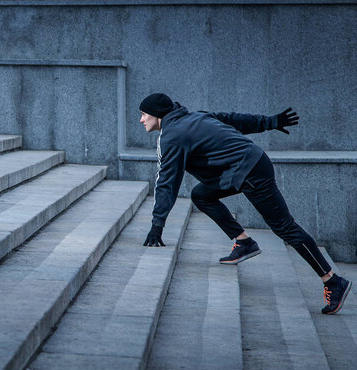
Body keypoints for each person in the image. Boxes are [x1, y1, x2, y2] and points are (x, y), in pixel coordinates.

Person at [139, 93, 352, 315]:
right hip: (245, 167)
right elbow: (231, 119)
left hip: (251, 172)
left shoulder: (172, 136)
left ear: (157, 115)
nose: (141, 120)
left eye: (144, 114)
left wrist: (157, 226)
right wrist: (269, 122)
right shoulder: (194, 118)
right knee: (201, 195)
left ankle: (332, 280)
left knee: (285, 228)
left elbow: (166, 182)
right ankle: (244, 242)